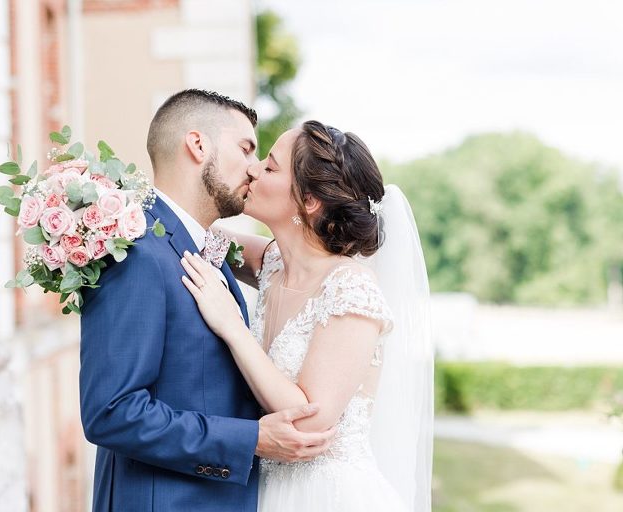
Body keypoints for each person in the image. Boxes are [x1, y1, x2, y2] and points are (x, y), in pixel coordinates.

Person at [79, 91, 336, 512]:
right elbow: (112, 410)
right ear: (198, 146)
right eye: (245, 148)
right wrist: (250, 439)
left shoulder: (199, 248)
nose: (254, 168)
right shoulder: (136, 251)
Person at [181, 120, 434, 511]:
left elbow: (310, 421)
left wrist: (232, 327)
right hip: (264, 490)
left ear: (310, 200)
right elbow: (193, 233)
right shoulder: (271, 264)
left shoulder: (350, 287)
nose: (253, 168)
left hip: (327, 496)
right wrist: (109, 206)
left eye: (270, 166)